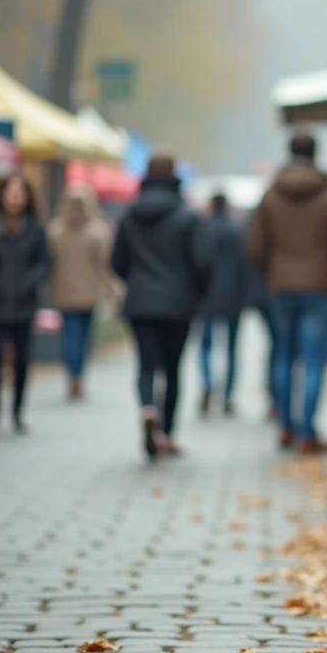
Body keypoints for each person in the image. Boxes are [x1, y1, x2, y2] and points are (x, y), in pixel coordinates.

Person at [246, 132, 327, 454]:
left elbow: (254, 245)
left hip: (281, 286)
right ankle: (307, 432)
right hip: (321, 286)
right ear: (316, 154)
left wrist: (274, 269)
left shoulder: (271, 196)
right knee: (313, 360)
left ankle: (285, 425)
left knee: (283, 355)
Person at [111, 152, 211, 459]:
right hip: (178, 303)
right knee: (172, 368)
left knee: (146, 364)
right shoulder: (187, 216)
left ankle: (147, 408)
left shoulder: (129, 214)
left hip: (140, 301)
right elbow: (202, 261)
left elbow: (116, 261)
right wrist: (197, 292)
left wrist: (136, 280)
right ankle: (166, 433)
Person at [0, 174, 51, 434]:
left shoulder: (35, 228)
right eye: (10, 193)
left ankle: (17, 410)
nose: (14, 199)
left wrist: (29, 283)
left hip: (23, 303)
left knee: (22, 359)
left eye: (19, 193)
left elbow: (45, 263)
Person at [47, 184, 112, 400]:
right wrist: (108, 288)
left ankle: (73, 373)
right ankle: (78, 373)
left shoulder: (55, 230)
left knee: (70, 335)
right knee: (84, 336)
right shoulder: (97, 231)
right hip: (89, 292)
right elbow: (103, 264)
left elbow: (50, 263)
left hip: (64, 291)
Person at [197, 192, 247, 416]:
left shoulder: (202, 229)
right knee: (231, 349)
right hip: (233, 297)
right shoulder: (237, 231)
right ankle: (227, 396)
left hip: (206, 297)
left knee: (205, 345)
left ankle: (208, 383)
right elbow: (245, 266)